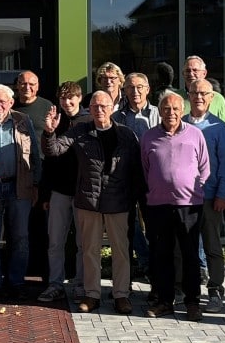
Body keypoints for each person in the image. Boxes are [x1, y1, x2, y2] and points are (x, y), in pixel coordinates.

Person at [42, 89, 144, 314]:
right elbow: (54, 150)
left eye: (104, 106)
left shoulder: (126, 134)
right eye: (95, 106)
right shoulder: (80, 131)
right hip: (89, 201)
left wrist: (134, 199)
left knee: (121, 251)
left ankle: (121, 295)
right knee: (90, 250)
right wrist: (49, 132)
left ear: (112, 108)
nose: (99, 110)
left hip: (118, 201)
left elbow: (136, 169)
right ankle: (92, 294)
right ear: (89, 109)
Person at [140, 92, 210, 321]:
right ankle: (164, 301)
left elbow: (205, 167)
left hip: (189, 205)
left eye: (175, 109)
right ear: (160, 111)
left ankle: (192, 303)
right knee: (161, 254)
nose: (171, 113)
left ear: (182, 111)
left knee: (190, 255)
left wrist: (193, 188)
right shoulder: (149, 136)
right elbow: (145, 168)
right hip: (158, 205)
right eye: (166, 108)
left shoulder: (195, 134)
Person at [0, 83, 40, 300]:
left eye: (2, 101)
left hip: (19, 186)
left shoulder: (23, 121)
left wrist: (36, 184)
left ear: (11, 102)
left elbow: (34, 154)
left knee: (20, 237)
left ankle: (16, 281)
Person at [185, 79, 225, 312]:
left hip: (210, 197)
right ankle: (186, 290)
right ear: (188, 95)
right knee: (185, 247)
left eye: (204, 93)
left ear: (212, 97)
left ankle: (215, 290)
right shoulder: (180, 124)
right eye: (195, 93)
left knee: (212, 246)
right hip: (184, 199)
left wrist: (222, 194)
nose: (199, 97)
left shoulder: (219, 128)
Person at [37, 81, 86, 304]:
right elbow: (48, 159)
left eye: (70, 98)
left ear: (79, 98)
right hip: (59, 190)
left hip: (83, 192)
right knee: (55, 241)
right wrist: (45, 193)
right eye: (63, 98)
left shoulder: (89, 121)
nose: (67, 102)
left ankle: (81, 284)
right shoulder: (56, 121)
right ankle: (55, 283)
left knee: (83, 243)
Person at [115, 71, 159, 278]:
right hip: (125, 180)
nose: (135, 91)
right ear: (124, 91)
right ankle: (133, 271)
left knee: (154, 226)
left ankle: (155, 272)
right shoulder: (117, 117)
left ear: (148, 89)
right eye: (130, 87)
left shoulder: (159, 114)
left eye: (139, 87)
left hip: (153, 180)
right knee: (127, 227)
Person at [14, 70, 55, 282]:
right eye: (23, 83)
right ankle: (20, 275)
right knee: (20, 229)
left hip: (44, 175)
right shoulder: (10, 106)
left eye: (31, 84)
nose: (27, 87)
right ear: (17, 85)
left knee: (43, 227)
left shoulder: (47, 106)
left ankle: (45, 275)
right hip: (18, 176)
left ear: (37, 86)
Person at [182, 56, 225, 121]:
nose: (191, 74)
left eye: (195, 70)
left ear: (204, 73)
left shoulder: (217, 99)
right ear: (183, 74)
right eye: (187, 71)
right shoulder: (175, 97)